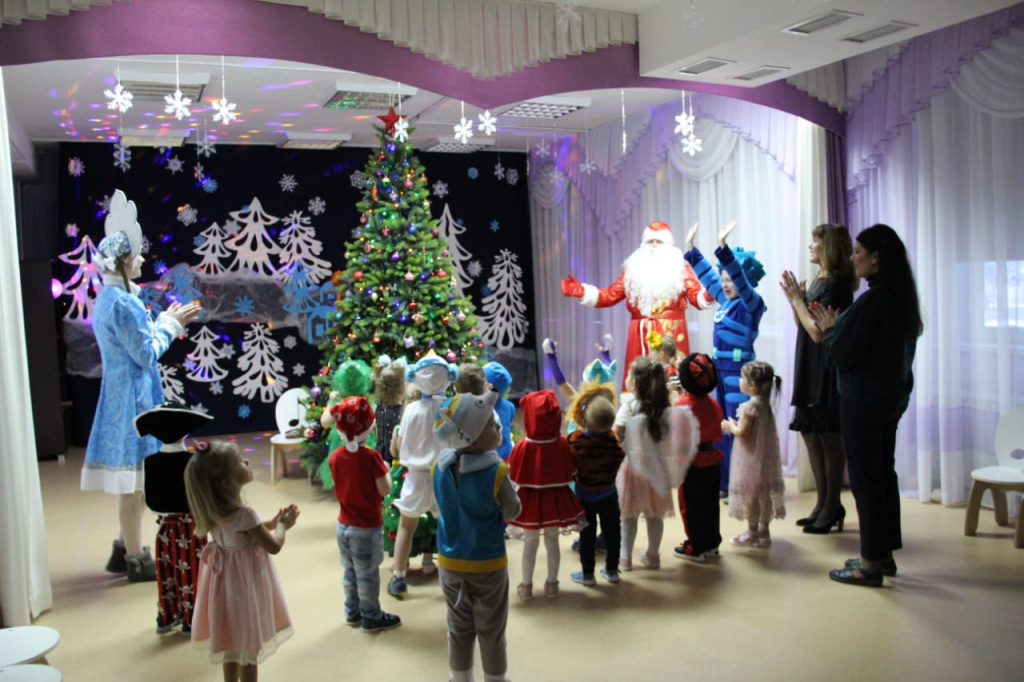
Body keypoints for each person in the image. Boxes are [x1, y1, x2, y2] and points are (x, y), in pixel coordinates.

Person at [81, 189, 201, 582]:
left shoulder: (109, 297)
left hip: (120, 394)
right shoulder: (124, 302)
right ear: (123, 261)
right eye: (136, 255)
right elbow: (146, 354)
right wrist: (172, 324)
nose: (142, 260)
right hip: (134, 399)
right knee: (134, 483)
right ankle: (135, 558)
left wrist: (163, 320)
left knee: (130, 480)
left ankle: (123, 547)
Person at [809, 223, 923, 587]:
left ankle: (870, 563)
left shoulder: (873, 301)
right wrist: (839, 328)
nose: (852, 257)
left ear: (876, 257)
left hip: (864, 401)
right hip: (891, 398)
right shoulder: (899, 297)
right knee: (882, 474)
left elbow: (839, 354)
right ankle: (883, 553)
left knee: (866, 479)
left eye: (858, 251)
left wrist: (832, 330)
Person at [185, 441, 299, 681]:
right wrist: (282, 525)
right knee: (249, 651)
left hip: (225, 587)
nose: (246, 461)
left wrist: (267, 524)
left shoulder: (215, 511)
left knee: (232, 646)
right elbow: (274, 546)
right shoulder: (244, 514)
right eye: (238, 461)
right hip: (246, 588)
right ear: (227, 483)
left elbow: (241, 532)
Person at [433, 391, 522, 682]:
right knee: (491, 629)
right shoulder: (496, 471)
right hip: (487, 563)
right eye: (491, 425)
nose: (499, 427)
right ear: (470, 438)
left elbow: (441, 504)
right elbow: (512, 510)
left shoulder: (439, 467)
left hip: (449, 562)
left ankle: (459, 676)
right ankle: (496, 678)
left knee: (458, 626)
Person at [560, 221, 712, 388]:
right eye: (650, 241)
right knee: (638, 383)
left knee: (671, 384)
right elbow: (610, 295)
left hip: (670, 333)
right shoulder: (632, 270)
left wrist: (713, 289)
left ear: (668, 245)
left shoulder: (680, 268)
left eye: (659, 241)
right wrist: (582, 291)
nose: (654, 246)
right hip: (639, 336)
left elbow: (698, 298)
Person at [779, 223, 856, 533]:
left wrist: (798, 301)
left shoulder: (838, 285)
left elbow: (818, 333)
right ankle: (823, 503)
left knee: (828, 436)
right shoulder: (820, 280)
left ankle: (832, 504)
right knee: (811, 434)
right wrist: (794, 301)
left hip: (824, 366)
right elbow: (804, 325)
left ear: (830, 247)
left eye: (816, 241)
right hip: (808, 364)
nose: (811, 246)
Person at [684, 221, 767, 495]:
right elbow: (709, 278)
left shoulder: (751, 304)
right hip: (719, 370)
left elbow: (739, 280)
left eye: (730, 279)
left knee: (737, 425)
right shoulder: (727, 301)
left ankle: (741, 482)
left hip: (739, 371)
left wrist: (724, 248)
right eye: (725, 279)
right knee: (721, 424)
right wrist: (692, 250)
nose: (725, 284)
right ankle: (724, 481)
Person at [136, 402, 213, 636]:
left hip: (164, 528)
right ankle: (192, 619)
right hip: (191, 528)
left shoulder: (150, 462)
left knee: (166, 572)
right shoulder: (193, 461)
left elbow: (151, 500)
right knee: (191, 573)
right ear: (184, 432)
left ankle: (167, 615)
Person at [387, 351, 458, 599]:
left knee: (407, 526)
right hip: (444, 474)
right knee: (449, 525)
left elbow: (401, 444)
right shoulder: (451, 408)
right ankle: (453, 575)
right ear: (448, 377)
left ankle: (398, 577)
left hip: (416, 476)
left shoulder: (410, 410)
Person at [616, 356, 697, 573]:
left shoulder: (629, 407)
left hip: (632, 469)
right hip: (658, 469)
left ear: (634, 384)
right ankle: (653, 556)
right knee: (654, 515)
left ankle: (624, 558)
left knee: (628, 516)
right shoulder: (666, 410)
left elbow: (616, 434)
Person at [328, 396, 401, 632]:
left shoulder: (335, 456)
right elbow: (385, 489)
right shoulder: (372, 458)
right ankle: (371, 616)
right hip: (366, 527)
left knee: (350, 571)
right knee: (368, 573)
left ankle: (353, 612)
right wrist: (386, 471)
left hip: (343, 525)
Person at [508, 389, 585, 600]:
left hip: (530, 502)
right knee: (553, 541)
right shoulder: (562, 444)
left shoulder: (523, 446)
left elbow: (513, 475)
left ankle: (526, 586)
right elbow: (571, 471)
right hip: (556, 500)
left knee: (530, 542)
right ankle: (552, 584)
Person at [722, 361, 786, 548]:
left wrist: (730, 426)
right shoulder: (765, 404)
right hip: (765, 457)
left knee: (751, 495)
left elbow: (743, 432)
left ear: (752, 385)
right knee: (763, 494)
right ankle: (764, 530)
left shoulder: (750, 406)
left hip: (750, 458)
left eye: (742, 378)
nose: (739, 381)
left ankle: (751, 532)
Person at [672, 353, 726, 563]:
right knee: (711, 504)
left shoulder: (681, 406)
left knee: (691, 506)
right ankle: (712, 543)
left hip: (691, 463)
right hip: (712, 460)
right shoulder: (713, 404)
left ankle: (696, 546)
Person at [567, 394, 624, 585]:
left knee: (587, 536)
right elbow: (620, 456)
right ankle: (612, 570)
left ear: (584, 420)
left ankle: (588, 575)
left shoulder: (575, 441)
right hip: (609, 494)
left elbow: (569, 464)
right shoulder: (613, 441)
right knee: (613, 534)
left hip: (584, 497)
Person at [372, 357, 407, 466]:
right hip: (397, 460)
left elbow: (377, 433)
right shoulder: (403, 411)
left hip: (379, 457)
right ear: (403, 387)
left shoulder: (379, 407)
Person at [483, 362, 515, 461]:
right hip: (508, 454)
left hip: (491, 457)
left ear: (489, 386)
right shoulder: (509, 406)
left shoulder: (481, 407)